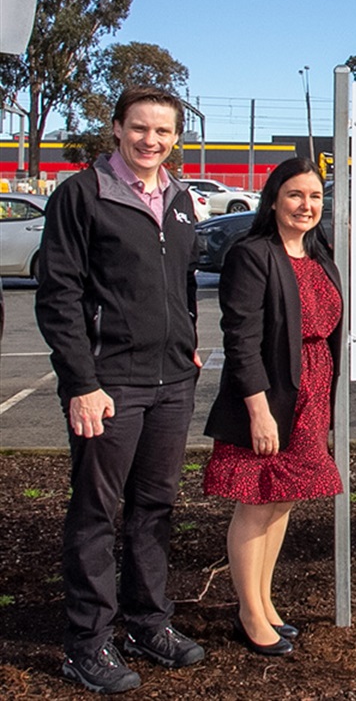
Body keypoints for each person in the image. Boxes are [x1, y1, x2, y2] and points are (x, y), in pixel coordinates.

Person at [35, 86, 205, 694]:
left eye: (162, 131)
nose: (150, 140)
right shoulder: (81, 195)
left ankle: (147, 623)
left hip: (172, 383)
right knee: (96, 514)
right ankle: (86, 644)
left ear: (176, 138)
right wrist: (82, 383)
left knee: (154, 510)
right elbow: (58, 296)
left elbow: (181, 281)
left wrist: (185, 339)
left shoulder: (182, 199)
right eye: (138, 128)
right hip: (109, 387)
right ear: (116, 129)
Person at [203, 157, 343, 656]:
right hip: (270, 393)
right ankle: (248, 612)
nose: (306, 205)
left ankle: (264, 601)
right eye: (295, 195)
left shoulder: (319, 253)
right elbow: (240, 339)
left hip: (312, 391)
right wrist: (259, 410)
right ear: (274, 199)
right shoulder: (252, 254)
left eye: (315, 197)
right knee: (256, 500)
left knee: (283, 498)